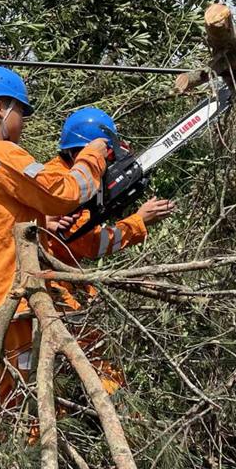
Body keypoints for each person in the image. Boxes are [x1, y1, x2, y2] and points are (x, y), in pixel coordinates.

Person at [0, 66, 109, 423]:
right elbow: (66, 192)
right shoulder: (2, 155)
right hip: (13, 300)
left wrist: (41, 222)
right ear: (0, 107)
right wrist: (93, 156)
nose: (21, 123)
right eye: (20, 112)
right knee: (25, 404)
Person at [45, 107, 176, 394]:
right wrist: (139, 221)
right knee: (96, 358)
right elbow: (90, 243)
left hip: (68, 278)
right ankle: (118, 411)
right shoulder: (63, 182)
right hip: (54, 286)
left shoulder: (62, 172)